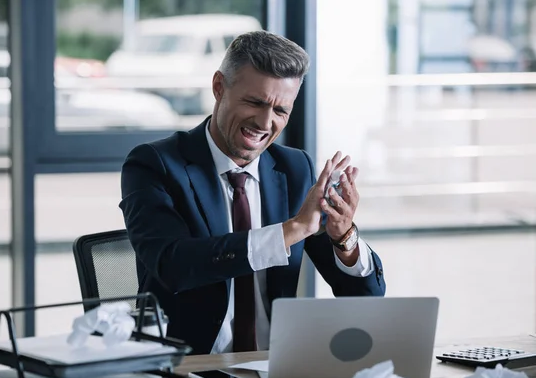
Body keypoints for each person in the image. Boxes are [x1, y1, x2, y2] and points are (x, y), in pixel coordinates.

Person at [119, 30, 386, 355]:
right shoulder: (156, 164)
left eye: (280, 111)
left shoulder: (293, 168)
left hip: (276, 368)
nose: (265, 122)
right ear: (219, 87)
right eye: (255, 102)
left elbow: (365, 300)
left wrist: (344, 237)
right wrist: (294, 229)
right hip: (188, 372)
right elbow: (174, 266)